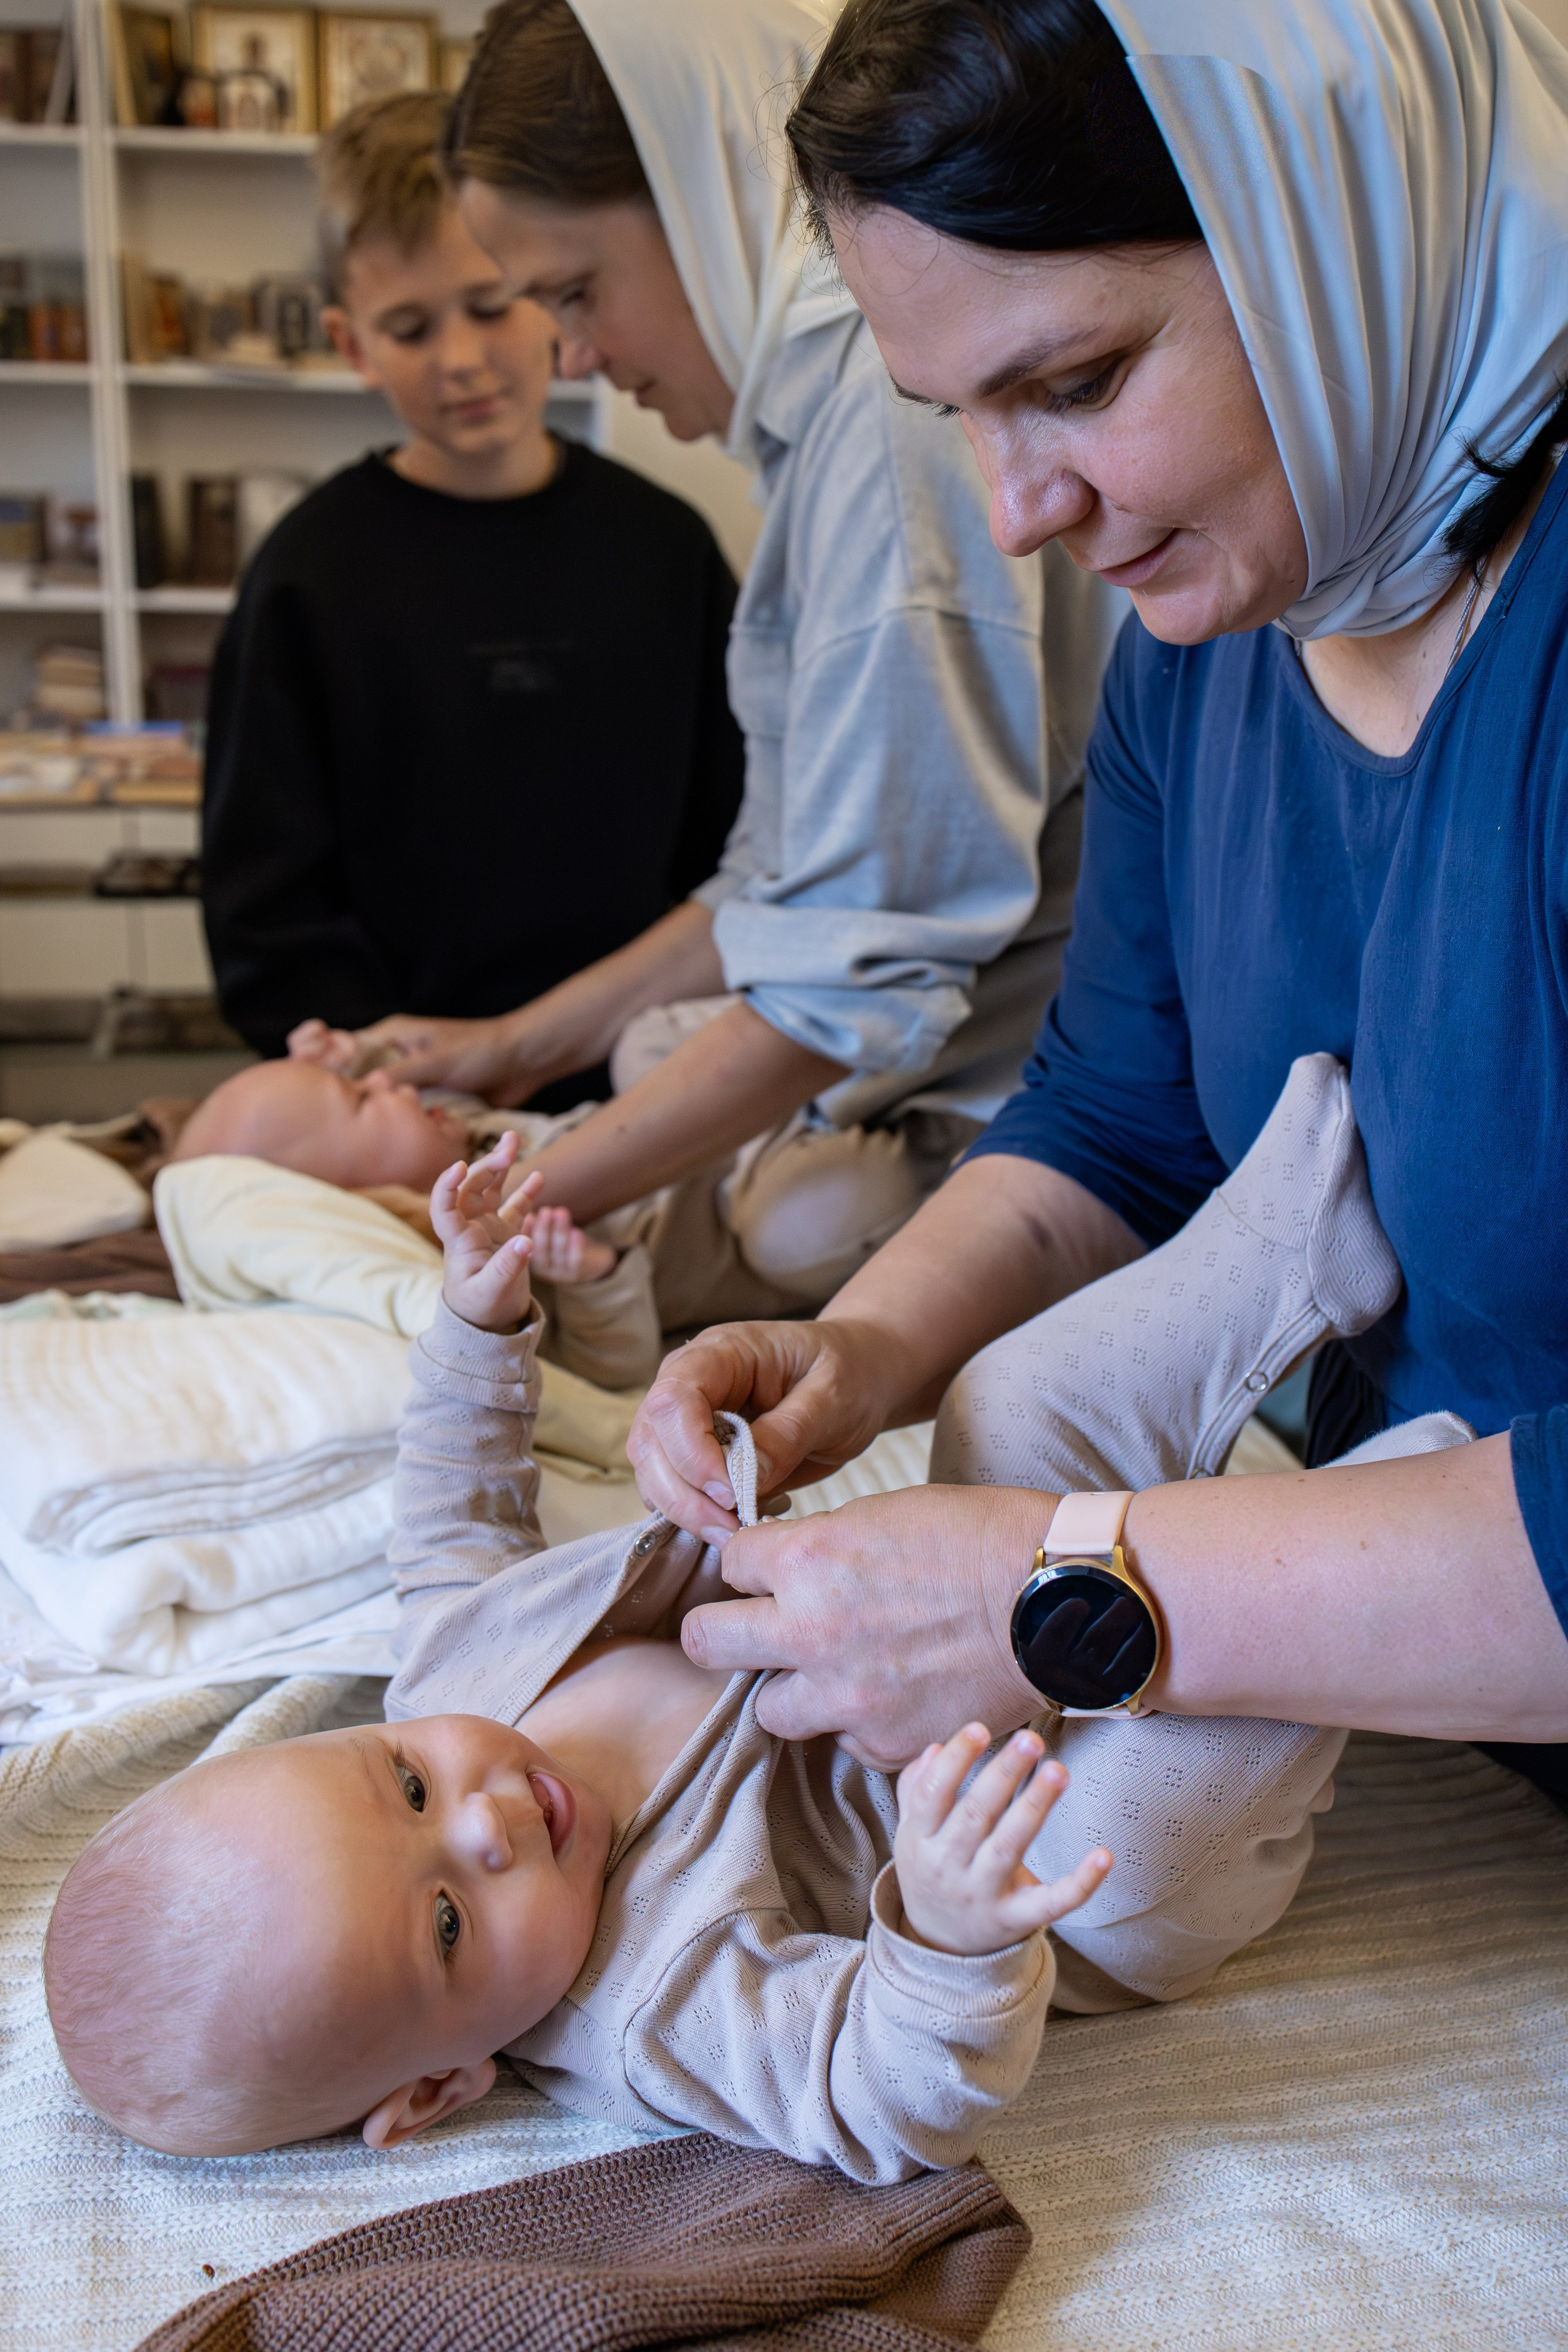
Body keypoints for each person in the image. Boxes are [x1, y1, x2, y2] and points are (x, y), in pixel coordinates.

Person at [627, 0, 1568, 1788]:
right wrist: (863, 1347)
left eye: (1074, 383)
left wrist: (1084, 1591)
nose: (1017, 510)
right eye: (953, 415)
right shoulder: (1212, 636)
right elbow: (1122, 1125)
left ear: (1338, 215)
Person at [44, 1055, 1404, 2168]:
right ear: (444, 2085)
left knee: (1005, 1408)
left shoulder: (456, 1674)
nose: (487, 1817)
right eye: (450, 1921)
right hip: (1058, 1861)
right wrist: (938, 1926)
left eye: (403, 1785)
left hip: (967, 1602)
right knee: (1133, 1820)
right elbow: (879, 2097)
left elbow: (448, 1511)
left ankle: (1289, 1238)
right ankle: (1404, 1512)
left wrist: (477, 1322)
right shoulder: (648, 2008)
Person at [326, 0, 1117, 1328]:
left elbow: (840, 987)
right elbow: (771, 889)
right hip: (908, 1062)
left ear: (705, 196)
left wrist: (492, 1210)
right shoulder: (817, 444)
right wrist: (509, 1054)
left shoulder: (887, 423)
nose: (570, 355)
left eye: (571, 295)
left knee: (803, 1216)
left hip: (1015, 1104)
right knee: (658, 1057)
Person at [200, 91, 744, 1093]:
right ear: (351, 343)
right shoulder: (305, 578)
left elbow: (739, 846)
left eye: (491, 306)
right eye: (409, 328)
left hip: (651, 1071)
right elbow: (265, 916)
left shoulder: (667, 547)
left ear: (551, 294)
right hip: (389, 1098)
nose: (461, 360)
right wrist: (384, 1078)